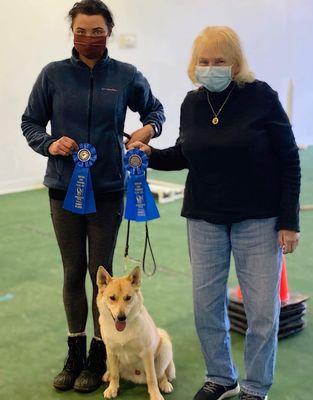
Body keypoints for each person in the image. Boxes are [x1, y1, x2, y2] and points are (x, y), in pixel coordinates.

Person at [129, 26, 301, 400]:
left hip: (258, 219)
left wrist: (289, 222)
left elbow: (289, 159)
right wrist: (151, 155)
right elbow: (186, 153)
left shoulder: (261, 97)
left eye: (219, 61)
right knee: (206, 307)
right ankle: (221, 376)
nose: (211, 67)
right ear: (194, 65)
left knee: (261, 314)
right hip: (204, 218)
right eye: (203, 61)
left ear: (235, 63)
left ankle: (255, 387)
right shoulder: (193, 102)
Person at [21, 0, 165, 393]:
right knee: (72, 272)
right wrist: (49, 144)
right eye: (81, 31)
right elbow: (30, 122)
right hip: (62, 189)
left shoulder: (126, 75)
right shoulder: (52, 75)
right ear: (72, 32)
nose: (88, 38)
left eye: (96, 31)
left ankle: (101, 356)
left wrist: (145, 133)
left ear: (109, 32)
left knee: (99, 272)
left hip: (108, 190)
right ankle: (74, 352)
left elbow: (155, 112)